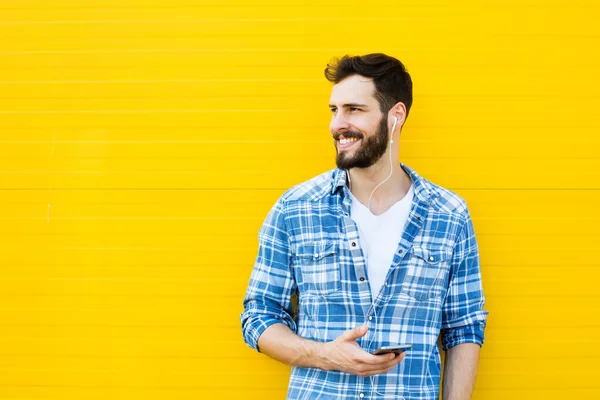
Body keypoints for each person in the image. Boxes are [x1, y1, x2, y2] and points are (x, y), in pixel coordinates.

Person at [240, 53, 488, 399]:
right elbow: (258, 317)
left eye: (354, 109)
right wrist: (326, 355)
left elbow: (463, 329)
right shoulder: (296, 208)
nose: (337, 124)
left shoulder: (448, 214)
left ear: (395, 115)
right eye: (334, 110)